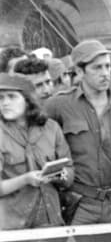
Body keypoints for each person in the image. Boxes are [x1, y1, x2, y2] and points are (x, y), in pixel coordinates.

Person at [43, 40, 111, 224]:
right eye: (97, 68)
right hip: (78, 204)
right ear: (80, 71)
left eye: (107, 66)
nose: (105, 73)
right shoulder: (58, 105)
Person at [0, 72, 71, 229]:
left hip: (50, 219)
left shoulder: (51, 128)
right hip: (12, 226)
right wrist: (25, 179)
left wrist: (61, 175)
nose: (5, 103)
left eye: (11, 97)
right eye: (1, 98)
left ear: (28, 100)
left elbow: (70, 169)